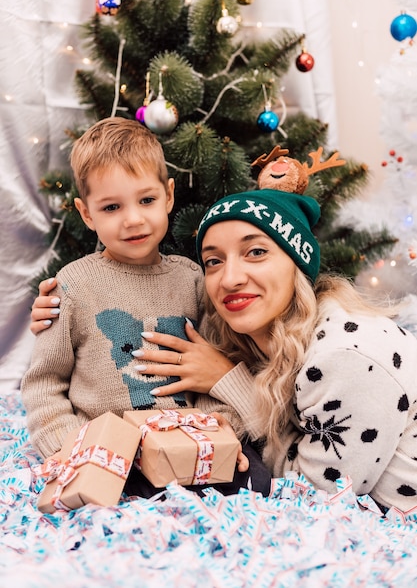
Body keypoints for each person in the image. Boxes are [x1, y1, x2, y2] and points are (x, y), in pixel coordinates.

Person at [31, 186, 417, 513]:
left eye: (256, 252)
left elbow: (313, 495)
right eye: (213, 261)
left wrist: (227, 381)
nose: (230, 278)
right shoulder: (262, 336)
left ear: (297, 263)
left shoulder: (349, 358)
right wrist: (57, 312)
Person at [22, 116, 259, 495]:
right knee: (108, 501)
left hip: (187, 447)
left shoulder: (193, 280)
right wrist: (69, 447)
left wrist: (221, 430)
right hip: (110, 455)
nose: (133, 220)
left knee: (255, 480)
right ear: (87, 214)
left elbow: (216, 369)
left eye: (146, 200)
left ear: (168, 196)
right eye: (112, 207)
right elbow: (45, 382)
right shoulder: (73, 285)